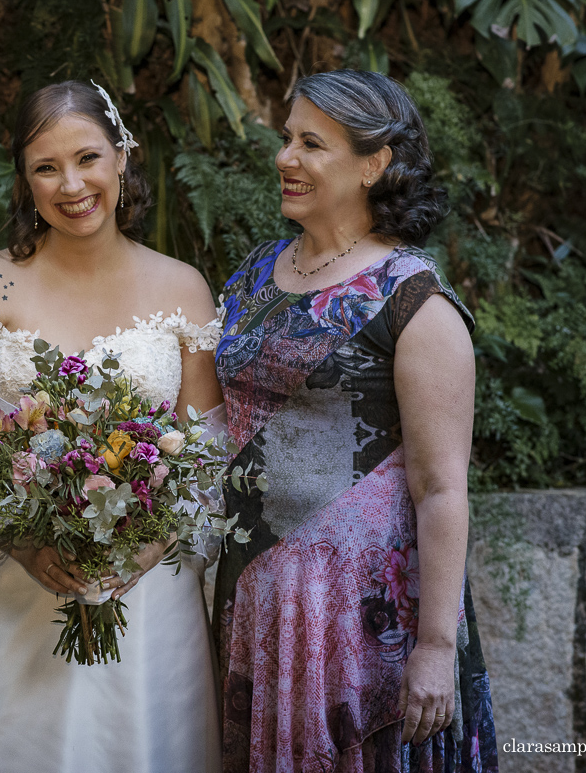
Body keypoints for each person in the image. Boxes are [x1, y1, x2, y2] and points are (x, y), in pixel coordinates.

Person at [0, 81, 223, 772]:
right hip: (27, 590)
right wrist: (22, 539)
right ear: (23, 180)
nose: (72, 184)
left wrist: (151, 541)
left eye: (88, 158)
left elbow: (207, 446)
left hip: (149, 594)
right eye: (46, 167)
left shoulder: (183, 287)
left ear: (122, 157)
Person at [212, 68, 497, 772]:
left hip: (362, 616)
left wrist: (434, 646)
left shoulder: (413, 300)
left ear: (374, 164)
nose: (286, 158)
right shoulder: (254, 274)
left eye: (312, 143)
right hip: (261, 599)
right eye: (287, 139)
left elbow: (441, 489)